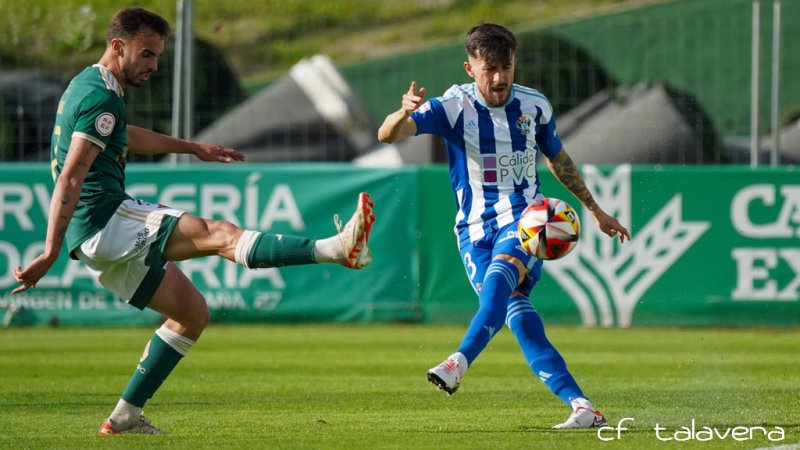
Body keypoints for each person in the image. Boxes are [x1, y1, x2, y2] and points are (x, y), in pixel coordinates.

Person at [12, 7, 375, 435]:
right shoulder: (100, 98)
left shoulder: (89, 85)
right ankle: (336, 249)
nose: (154, 66)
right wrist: (49, 251)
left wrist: (191, 147)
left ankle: (125, 417)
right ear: (118, 46)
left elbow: (124, 135)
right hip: (106, 219)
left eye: (158, 56)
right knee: (218, 234)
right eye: (146, 54)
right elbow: (71, 176)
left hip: (92, 234)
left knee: (191, 313)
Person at [378, 23, 630, 429]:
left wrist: (595, 209)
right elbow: (387, 135)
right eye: (489, 69)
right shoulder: (453, 107)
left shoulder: (534, 105)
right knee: (518, 317)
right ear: (470, 68)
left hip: (527, 219)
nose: (499, 78)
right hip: (473, 232)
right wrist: (403, 112)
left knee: (499, 278)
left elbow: (558, 158)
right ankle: (583, 406)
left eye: (506, 67)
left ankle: (458, 362)